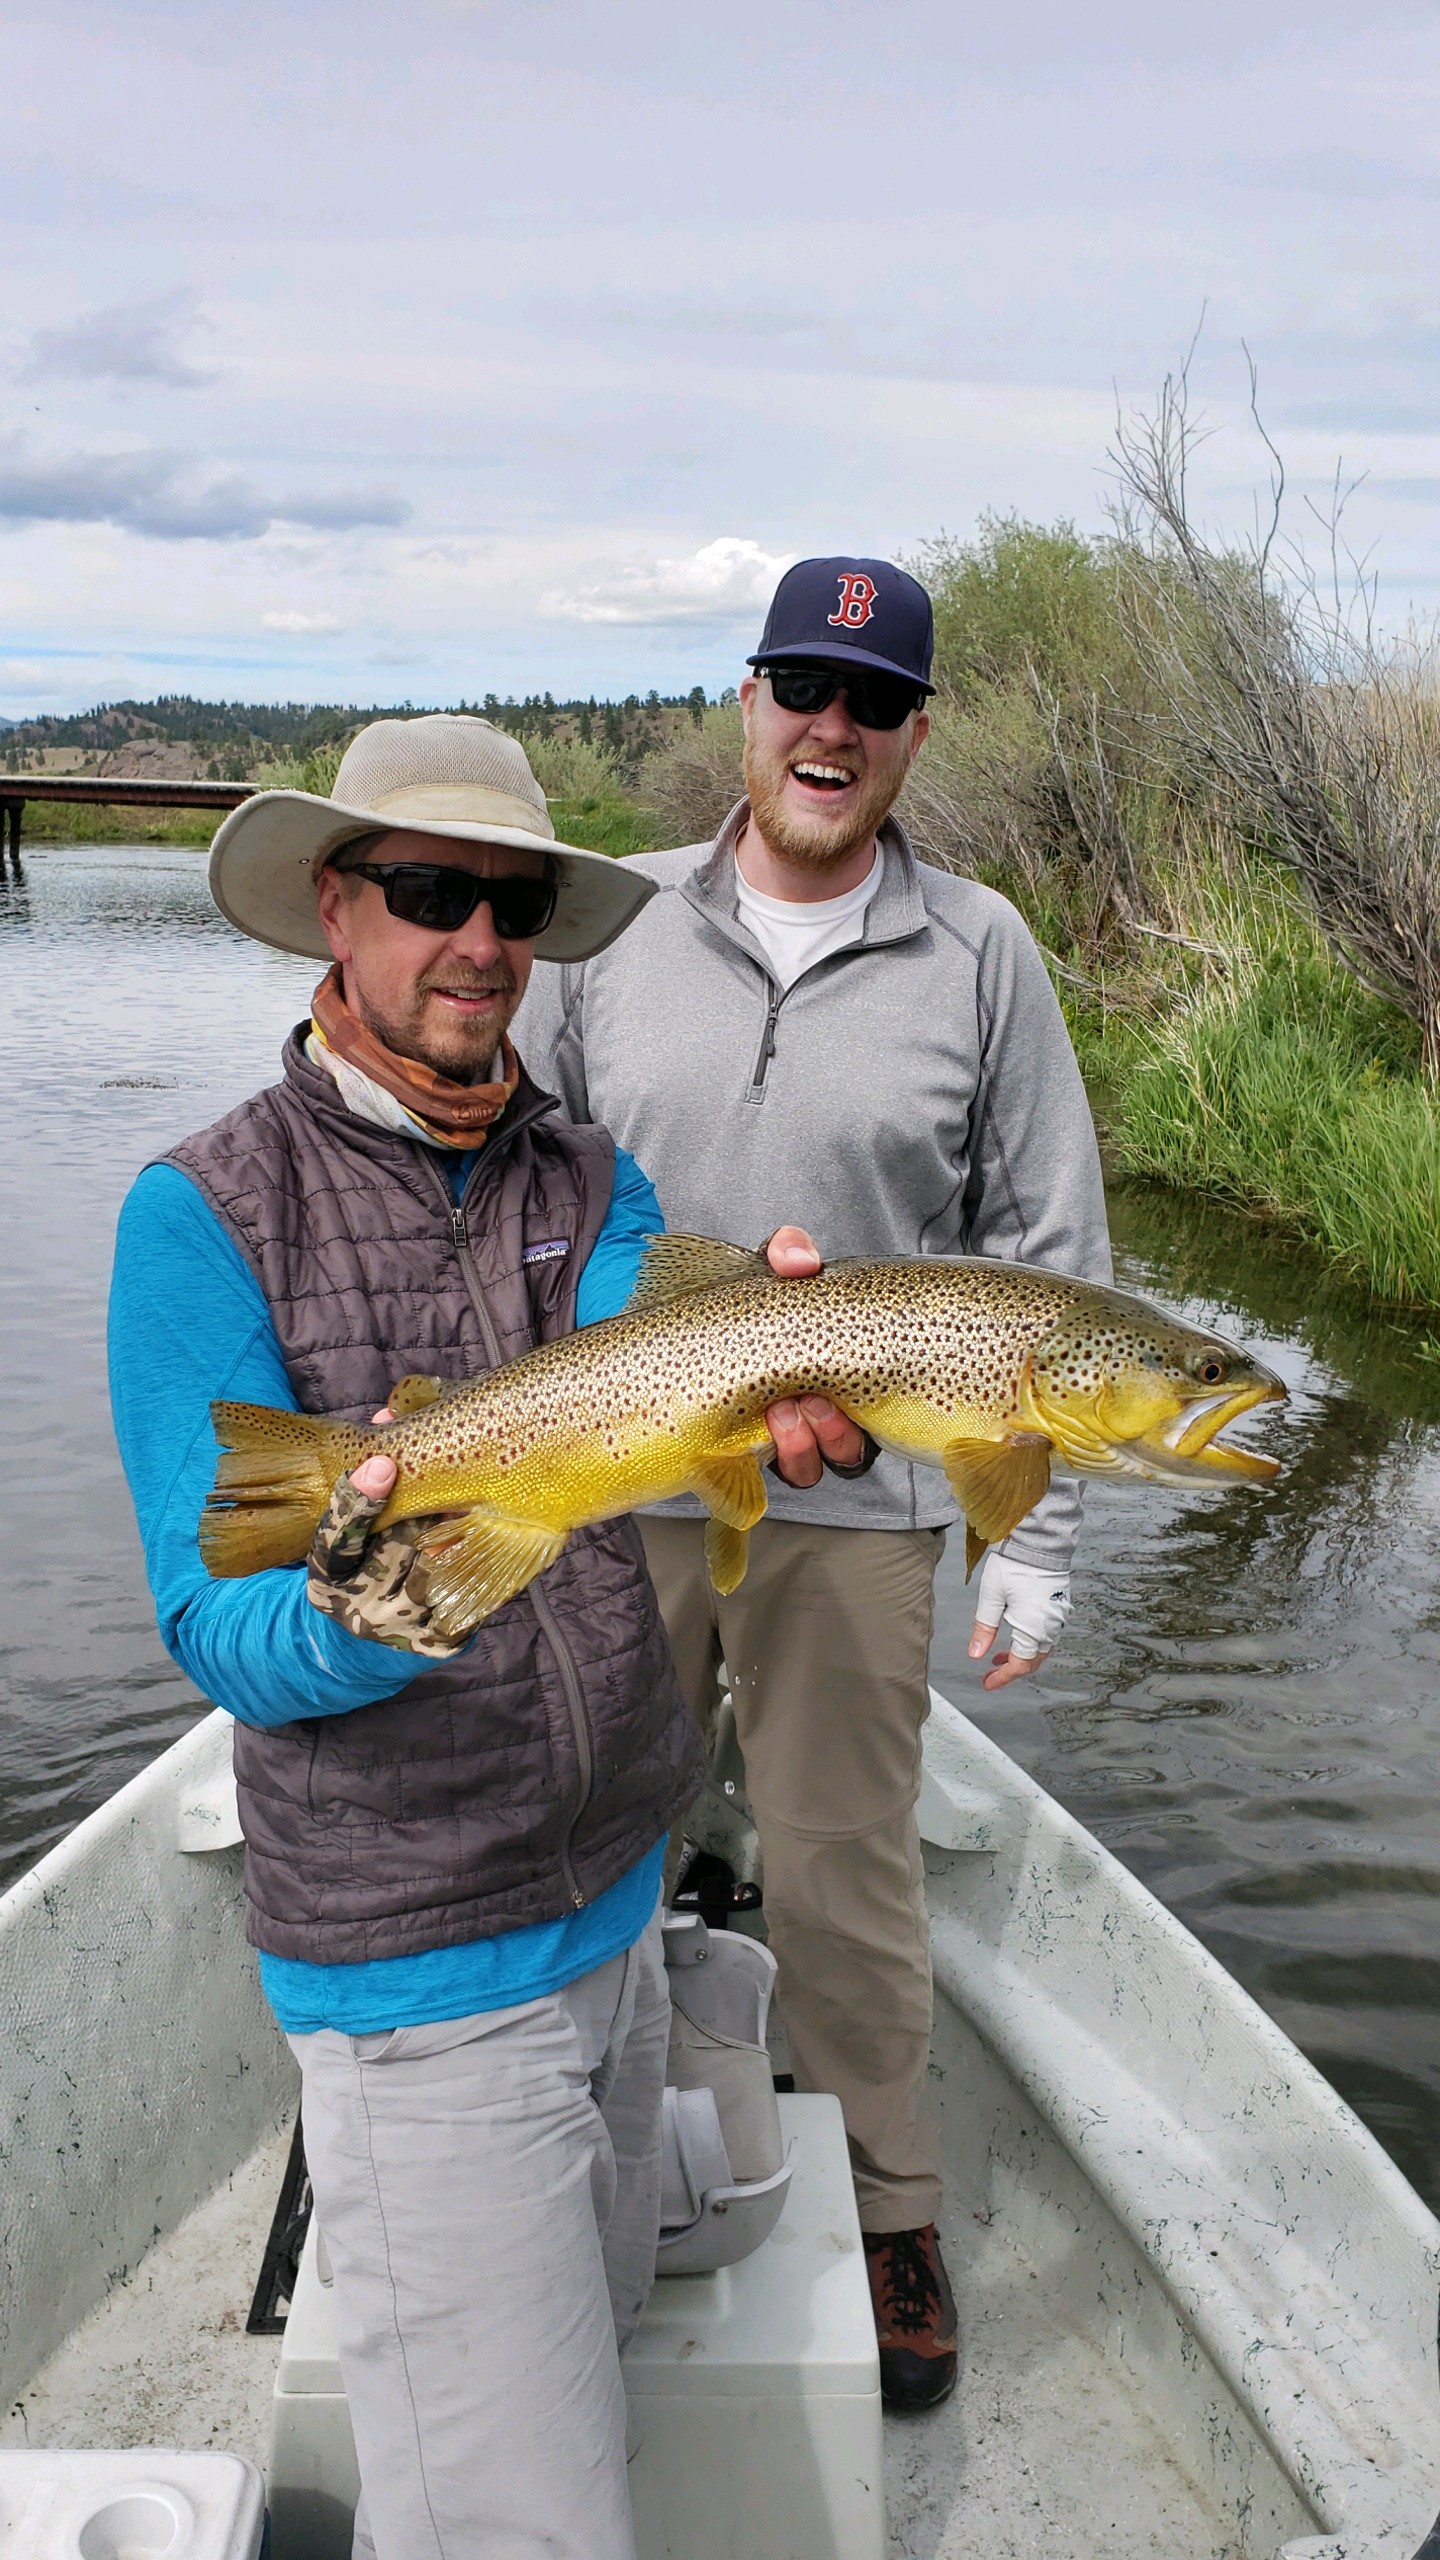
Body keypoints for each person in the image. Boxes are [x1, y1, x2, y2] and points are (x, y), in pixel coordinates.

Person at [107, 712, 858, 2560]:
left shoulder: (593, 1183)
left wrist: (773, 1366)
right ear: (332, 917)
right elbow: (220, 1629)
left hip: (614, 1916)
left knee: (578, 2395)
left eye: (512, 905)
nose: (479, 943)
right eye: (432, 894)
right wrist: (388, 1592)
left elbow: (641, 1369)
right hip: (425, 1982)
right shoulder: (200, 1217)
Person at [517, 558, 1113, 2411]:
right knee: (576, 1837)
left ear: (919, 733)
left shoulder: (987, 954)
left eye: (872, 700)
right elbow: (512, 1191)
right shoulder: (603, 934)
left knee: (847, 1874)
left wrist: (1036, 1537)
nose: (828, 729)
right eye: (800, 686)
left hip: (858, 1521)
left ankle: (896, 2208)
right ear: (749, 701)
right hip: (615, 1484)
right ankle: (544, 2179)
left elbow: (1052, 1262)